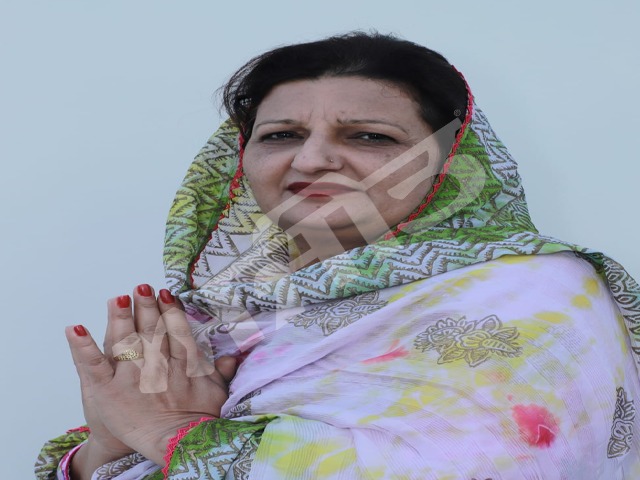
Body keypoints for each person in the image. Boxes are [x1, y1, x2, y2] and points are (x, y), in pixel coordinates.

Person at [36, 31, 640, 479]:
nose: (310, 160)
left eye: (369, 137)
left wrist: (172, 433)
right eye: (281, 136)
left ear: (449, 162)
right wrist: (109, 444)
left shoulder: (534, 298)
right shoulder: (226, 312)